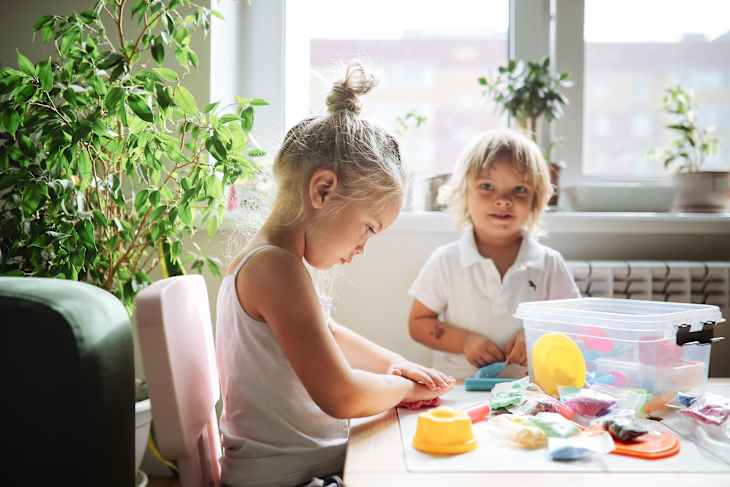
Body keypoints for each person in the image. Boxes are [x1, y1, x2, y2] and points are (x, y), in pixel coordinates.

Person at [215, 63, 454, 487]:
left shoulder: (267, 262)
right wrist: (401, 388)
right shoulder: (275, 268)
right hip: (288, 479)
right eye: (368, 228)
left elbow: (329, 334)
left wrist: (397, 364)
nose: (362, 248)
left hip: (298, 469)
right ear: (322, 190)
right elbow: (341, 394)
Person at [407, 128, 580, 380]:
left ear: (536, 199)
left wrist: (537, 334)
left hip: (527, 391)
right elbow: (419, 323)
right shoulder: (446, 260)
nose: (502, 200)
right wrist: (464, 342)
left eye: (519, 189)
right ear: (464, 195)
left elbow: (573, 323)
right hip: (456, 388)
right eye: (487, 186)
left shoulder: (549, 264)